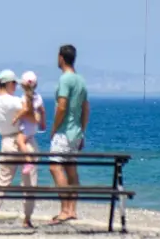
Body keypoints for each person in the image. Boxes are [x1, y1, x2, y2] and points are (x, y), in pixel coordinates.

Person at [0, 69, 38, 228]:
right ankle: (27, 219)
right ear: (8, 83)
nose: (15, 86)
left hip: (6, 141)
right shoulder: (13, 101)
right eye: (14, 83)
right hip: (24, 139)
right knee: (29, 184)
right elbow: (31, 115)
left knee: (1, 182)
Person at [48, 44, 90, 224]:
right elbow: (86, 108)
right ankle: (72, 209)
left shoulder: (65, 79)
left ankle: (65, 209)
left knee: (55, 167)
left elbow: (62, 106)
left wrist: (53, 127)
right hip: (76, 132)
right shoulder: (81, 80)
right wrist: (82, 130)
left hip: (64, 132)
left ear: (61, 58)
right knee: (71, 170)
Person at [14, 71, 45, 175]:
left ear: (23, 85)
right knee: (25, 140)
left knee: (20, 141)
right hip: (34, 127)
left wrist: (16, 117)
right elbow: (42, 110)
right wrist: (43, 124)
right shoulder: (39, 97)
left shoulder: (24, 98)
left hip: (27, 126)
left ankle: (28, 161)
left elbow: (25, 110)